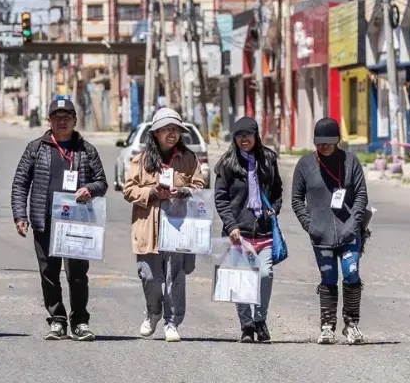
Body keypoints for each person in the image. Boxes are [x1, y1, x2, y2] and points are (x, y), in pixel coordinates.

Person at [11, 99, 108, 341]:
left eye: (66, 117)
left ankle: (80, 322)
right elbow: (20, 183)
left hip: (77, 222)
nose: (62, 121)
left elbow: (102, 182)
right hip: (45, 222)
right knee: (49, 273)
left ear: (75, 120)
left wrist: (90, 189)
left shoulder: (87, 150)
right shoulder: (36, 148)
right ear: (49, 121)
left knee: (77, 274)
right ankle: (57, 319)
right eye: (57, 117)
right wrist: (20, 215)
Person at [122, 108, 205, 343]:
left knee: (175, 276)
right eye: (167, 129)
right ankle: (153, 312)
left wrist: (186, 191)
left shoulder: (189, 159)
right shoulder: (141, 160)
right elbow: (128, 190)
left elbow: (200, 186)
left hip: (178, 226)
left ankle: (172, 321)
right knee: (149, 276)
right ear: (156, 133)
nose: (172, 133)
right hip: (148, 227)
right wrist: (151, 192)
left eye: (176, 129)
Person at [291, 117, 369, 345]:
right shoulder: (305, 165)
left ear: (337, 141)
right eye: (319, 142)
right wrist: (309, 225)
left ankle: (352, 325)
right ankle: (327, 326)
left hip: (349, 234)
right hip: (320, 235)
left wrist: (354, 225)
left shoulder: (351, 162)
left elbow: (361, 196)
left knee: (351, 272)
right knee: (329, 278)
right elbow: (296, 200)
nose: (322, 146)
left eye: (328, 141)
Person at [213, 116, 283, 343]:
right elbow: (221, 198)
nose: (244, 140)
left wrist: (274, 209)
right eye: (240, 136)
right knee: (241, 280)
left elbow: (278, 190)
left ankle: (260, 319)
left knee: (265, 273)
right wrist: (231, 226)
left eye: (248, 135)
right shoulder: (227, 164)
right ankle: (246, 325)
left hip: (263, 232)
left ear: (256, 136)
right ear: (235, 138)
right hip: (238, 234)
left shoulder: (269, 160)